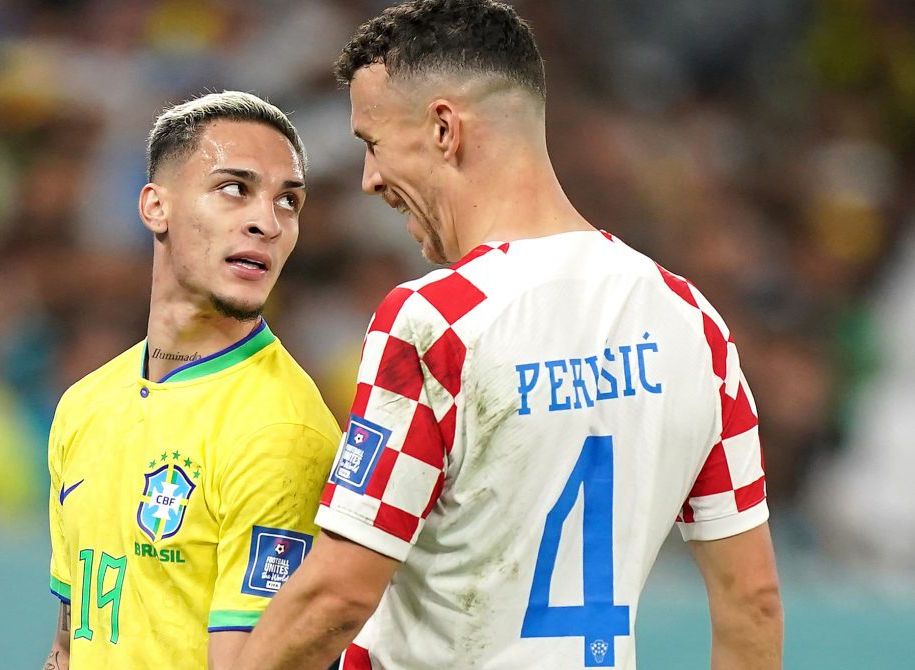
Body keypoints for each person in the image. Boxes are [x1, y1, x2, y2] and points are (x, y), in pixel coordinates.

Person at [231, 2, 783, 669]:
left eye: (372, 144)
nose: (369, 179)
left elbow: (337, 599)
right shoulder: (690, 320)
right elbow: (752, 601)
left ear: (443, 129)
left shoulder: (438, 322)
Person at [42, 91, 341, 669]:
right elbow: (67, 646)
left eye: (289, 202)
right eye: (236, 189)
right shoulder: (85, 405)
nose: (267, 222)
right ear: (156, 207)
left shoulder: (280, 433)